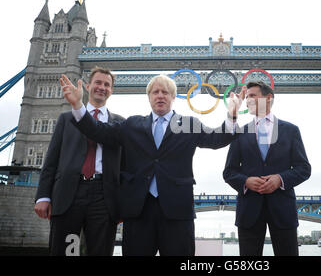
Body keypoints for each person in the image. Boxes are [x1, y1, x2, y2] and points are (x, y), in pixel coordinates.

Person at [59, 74, 245, 256]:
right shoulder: (131, 124)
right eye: (155, 92)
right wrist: (78, 105)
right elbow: (98, 131)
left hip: (177, 211)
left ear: (173, 97)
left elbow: (216, 139)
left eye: (165, 92)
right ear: (149, 97)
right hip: (138, 210)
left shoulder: (188, 124)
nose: (160, 96)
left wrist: (232, 115)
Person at [34, 67, 125, 256]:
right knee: (67, 251)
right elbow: (52, 159)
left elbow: (125, 168)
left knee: (99, 252)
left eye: (107, 85)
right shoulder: (66, 119)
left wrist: (123, 203)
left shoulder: (120, 123)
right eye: (98, 83)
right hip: (69, 193)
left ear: (112, 90)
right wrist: (43, 195)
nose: (102, 87)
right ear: (87, 85)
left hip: (104, 196)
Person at [223, 81, 311, 256]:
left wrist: (280, 179)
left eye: (252, 96)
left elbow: (303, 168)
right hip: (249, 210)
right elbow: (229, 172)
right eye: (246, 97)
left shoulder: (291, 130)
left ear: (268, 98)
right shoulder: (239, 133)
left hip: (283, 209)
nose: (247, 100)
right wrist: (246, 181)